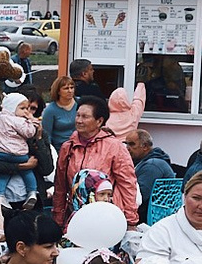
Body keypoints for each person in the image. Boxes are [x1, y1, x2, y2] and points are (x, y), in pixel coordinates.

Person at [53, 93, 141, 228]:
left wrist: (130, 221)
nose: (79, 120)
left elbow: (127, 184)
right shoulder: (68, 147)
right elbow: (60, 187)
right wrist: (58, 221)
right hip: (76, 216)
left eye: (85, 117)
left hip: (106, 217)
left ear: (99, 121)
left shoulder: (114, 147)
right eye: (77, 115)